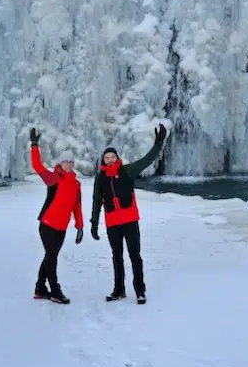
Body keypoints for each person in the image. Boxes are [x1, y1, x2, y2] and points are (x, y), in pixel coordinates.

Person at [90, 123, 167, 304]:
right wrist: (94, 222)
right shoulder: (100, 178)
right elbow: (96, 201)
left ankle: (140, 291)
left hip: (130, 221)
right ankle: (119, 290)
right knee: (116, 257)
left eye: (112, 156)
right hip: (112, 223)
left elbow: (147, 160)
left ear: (117, 157)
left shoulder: (127, 171)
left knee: (135, 256)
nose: (109, 159)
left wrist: (159, 142)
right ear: (103, 160)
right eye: (107, 157)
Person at [29, 127, 84, 304]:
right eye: (65, 162)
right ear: (60, 164)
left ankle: (40, 288)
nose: (68, 165)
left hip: (62, 227)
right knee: (52, 257)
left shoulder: (76, 184)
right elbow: (37, 167)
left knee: (50, 256)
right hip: (47, 225)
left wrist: (80, 226)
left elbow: (77, 207)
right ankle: (54, 291)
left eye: (71, 162)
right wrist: (35, 146)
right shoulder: (54, 179)